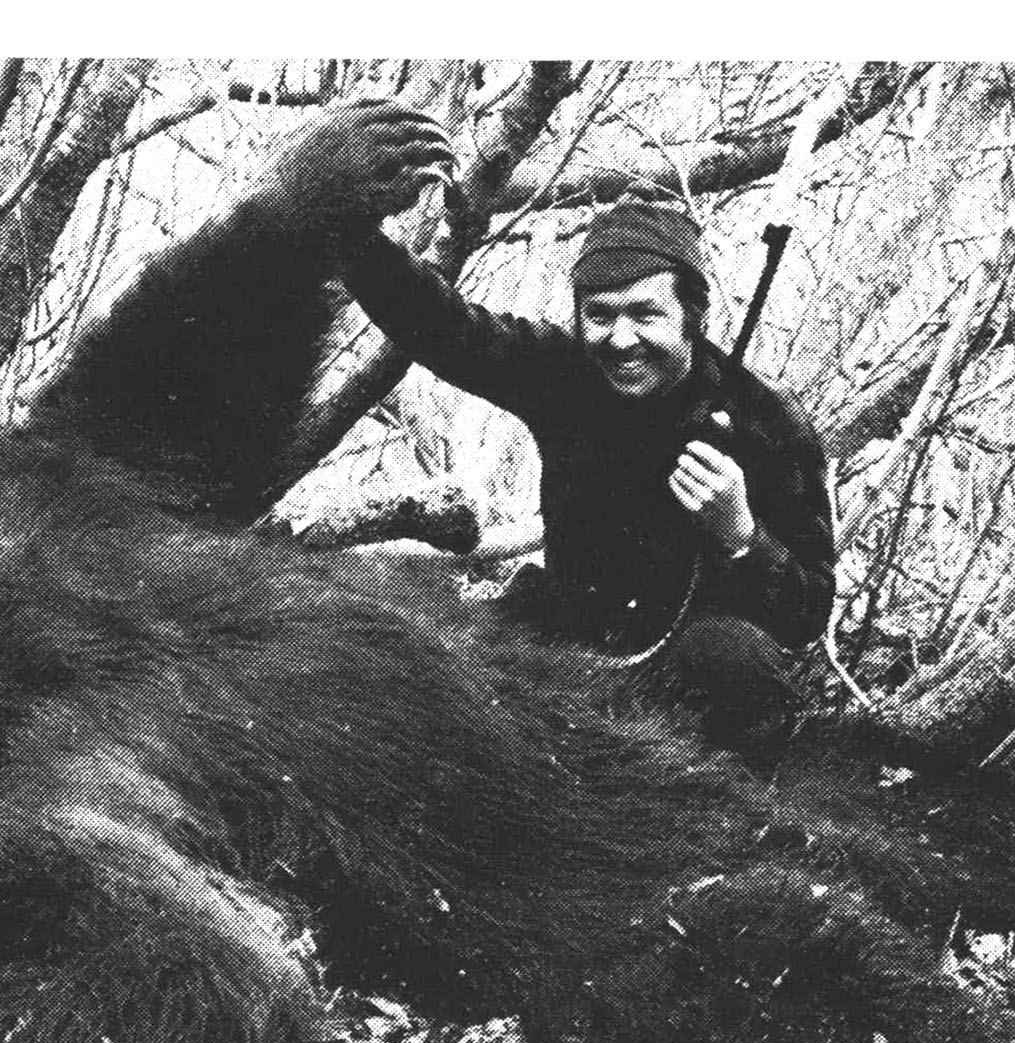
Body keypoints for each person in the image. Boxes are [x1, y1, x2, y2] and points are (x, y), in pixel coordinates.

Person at [261, 101, 836, 738]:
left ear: (692, 315)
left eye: (645, 314)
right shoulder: (565, 376)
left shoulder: (769, 426)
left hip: (687, 658)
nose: (620, 339)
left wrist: (740, 533)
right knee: (415, 650)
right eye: (599, 314)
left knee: (736, 662)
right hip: (565, 633)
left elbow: (807, 611)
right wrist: (348, 229)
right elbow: (447, 329)